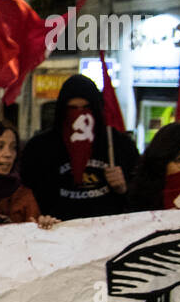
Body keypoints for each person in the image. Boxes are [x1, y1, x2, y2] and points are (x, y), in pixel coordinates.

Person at [19, 74, 139, 220]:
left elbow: (142, 200)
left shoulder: (120, 145)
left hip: (109, 234)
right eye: (72, 109)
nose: (79, 116)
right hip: (57, 232)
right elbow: (27, 196)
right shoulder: (40, 148)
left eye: (86, 108)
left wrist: (123, 188)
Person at [0, 120, 41, 223]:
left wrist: (44, 226)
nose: (8, 154)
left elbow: (34, 234)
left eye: (13, 147)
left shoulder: (23, 196)